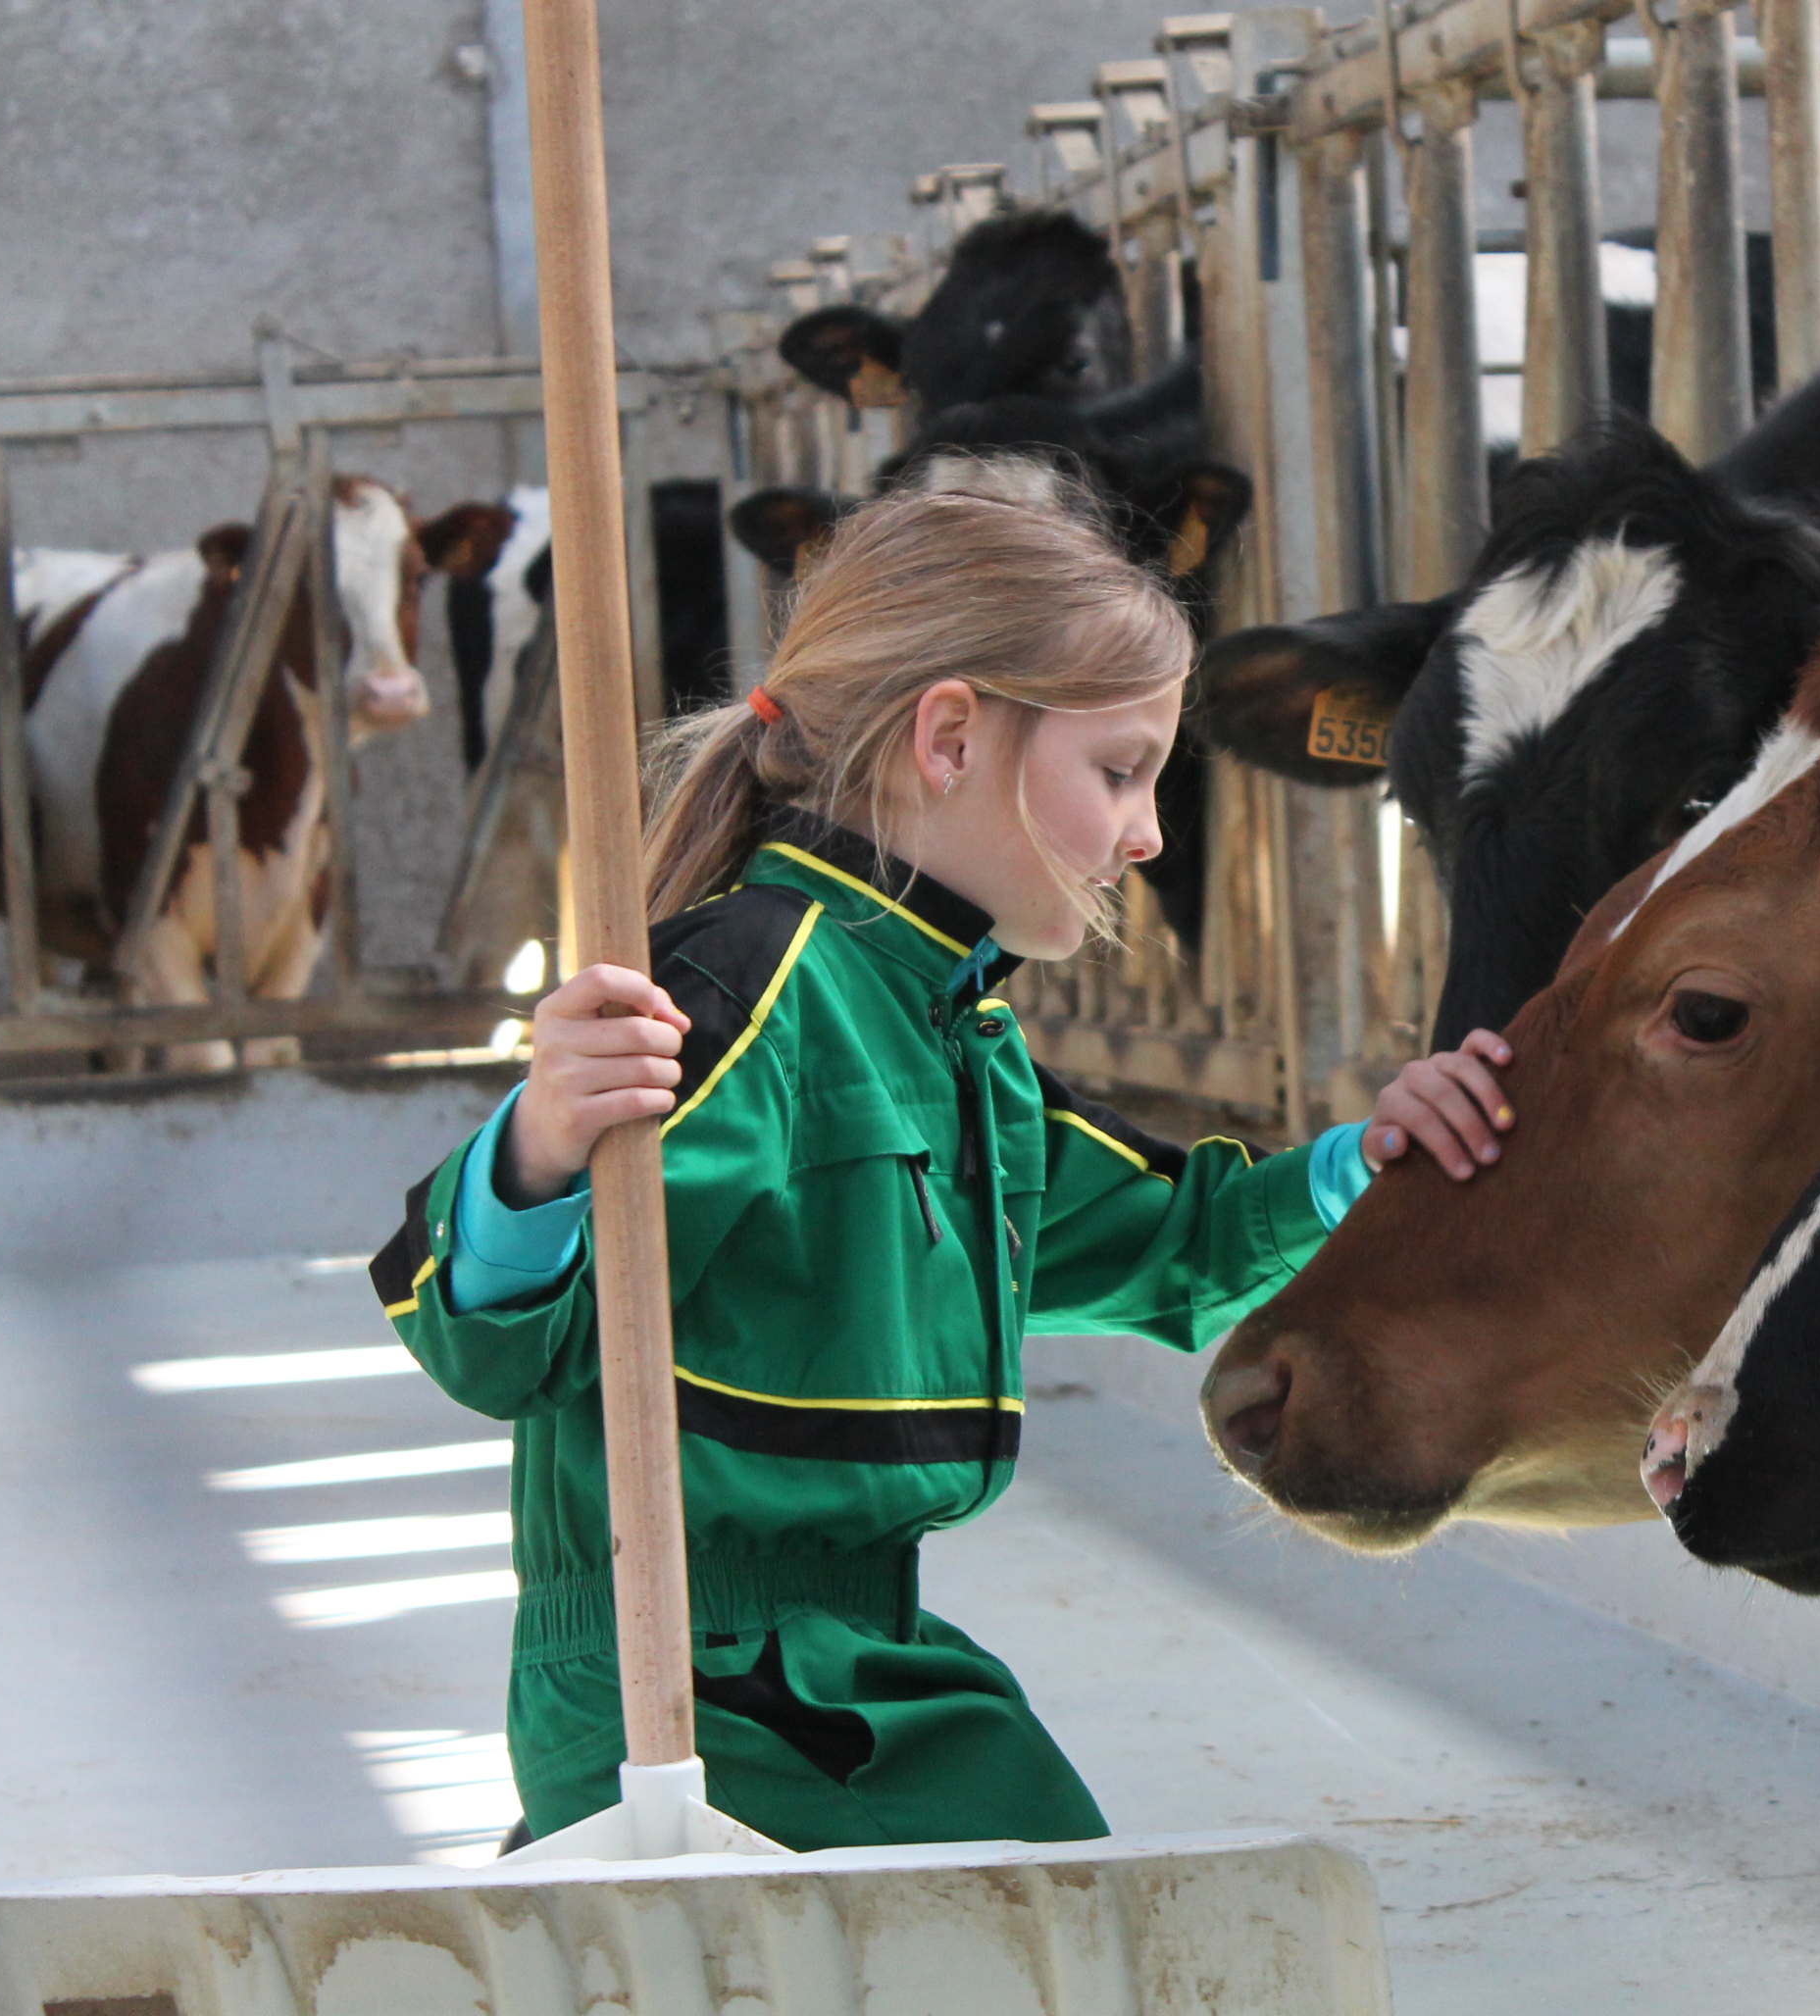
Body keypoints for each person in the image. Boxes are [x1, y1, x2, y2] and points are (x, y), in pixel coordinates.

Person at [369, 465, 1511, 1850]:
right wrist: (543, 1148)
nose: (1148, 834)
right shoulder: (746, 993)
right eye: (1120, 771)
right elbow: (496, 1350)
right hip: (687, 1680)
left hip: (845, 1659)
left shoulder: (948, 1031)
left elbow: (1174, 1238)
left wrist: (1365, 1162)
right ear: (952, 739)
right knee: (1054, 1899)